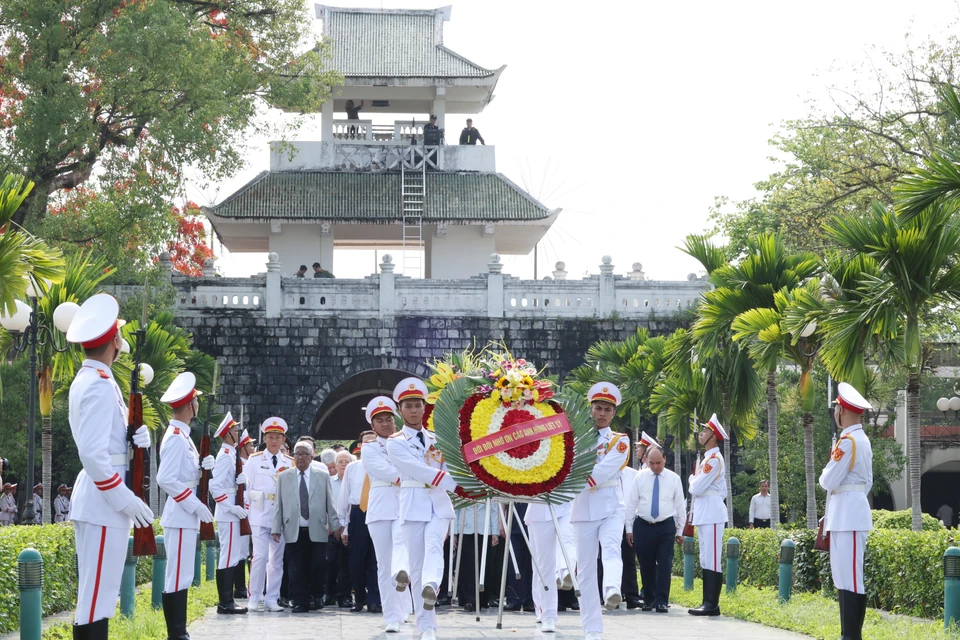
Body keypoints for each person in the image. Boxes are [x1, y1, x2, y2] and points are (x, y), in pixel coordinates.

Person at [65, 293, 154, 639]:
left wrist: (134, 440)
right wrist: (125, 500)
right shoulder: (99, 386)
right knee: (94, 603)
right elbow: (93, 455)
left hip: (101, 501)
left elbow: (108, 444)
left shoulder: (96, 380)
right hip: (104, 503)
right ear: (115, 341)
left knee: (98, 600)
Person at [387, 377, 474, 640]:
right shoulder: (395, 442)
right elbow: (419, 470)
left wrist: (468, 484)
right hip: (413, 503)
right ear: (400, 410)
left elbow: (449, 468)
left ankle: (432, 585)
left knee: (435, 547)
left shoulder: (437, 439)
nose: (414, 410)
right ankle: (425, 626)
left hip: (438, 504)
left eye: (418, 405)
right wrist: (454, 485)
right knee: (415, 566)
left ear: (425, 408)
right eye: (408, 406)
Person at [156, 372, 216, 639]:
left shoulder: (183, 437)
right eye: (197, 401)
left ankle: (180, 631)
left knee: (183, 574)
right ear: (191, 405)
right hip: (180, 514)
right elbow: (165, 478)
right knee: (177, 575)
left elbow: (185, 475)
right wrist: (194, 504)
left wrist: (204, 469)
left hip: (184, 515)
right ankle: (176, 634)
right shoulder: (176, 438)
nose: (198, 406)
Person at [572, 382, 629, 640]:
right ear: (591, 409)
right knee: (584, 570)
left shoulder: (620, 441)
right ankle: (592, 629)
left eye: (607, 409)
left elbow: (605, 470)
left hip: (610, 506)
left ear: (614, 413)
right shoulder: (575, 439)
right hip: (582, 508)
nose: (602, 413)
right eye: (598, 408)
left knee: (611, 548)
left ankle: (612, 589)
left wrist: (574, 478)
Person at [819, 382, 873, 640]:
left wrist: (825, 473)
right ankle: (847, 634)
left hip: (849, 515)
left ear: (843, 411)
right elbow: (868, 481)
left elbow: (828, 481)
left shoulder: (850, 441)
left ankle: (852, 635)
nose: (835, 413)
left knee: (851, 577)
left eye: (836, 408)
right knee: (843, 576)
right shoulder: (857, 439)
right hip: (844, 513)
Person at [361, 396, 413, 632]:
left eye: (389, 419)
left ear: (396, 420)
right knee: (384, 564)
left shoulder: (408, 442)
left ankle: (404, 603)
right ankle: (392, 615)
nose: (385, 424)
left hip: (405, 505)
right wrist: (410, 474)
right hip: (381, 508)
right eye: (379, 421)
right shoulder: (370, 448)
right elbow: (383, 470)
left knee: (402, 552)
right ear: (373, 426)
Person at [271, 440, 341, 613]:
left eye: (304, 454)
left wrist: (336, 525)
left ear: (311, 457)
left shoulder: (322, 475)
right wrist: (275, 528)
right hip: (293, 529)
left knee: (317, 566)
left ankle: (316, 595)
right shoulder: (284, 476)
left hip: (317, 529)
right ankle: (300, 601)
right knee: (295, 569)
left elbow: (330, 503)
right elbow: (278, 504)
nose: (300, 457)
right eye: (297, 454)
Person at [625, 446, 685, 613]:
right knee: (646, 564)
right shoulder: (640, 477)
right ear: (646, 460)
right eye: (651, 463)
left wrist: (680, 531)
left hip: (665, 526)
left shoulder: (674, 478)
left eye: (658, 463)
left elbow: (680, 506)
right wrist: (629, 529)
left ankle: (662, 600)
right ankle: (649, 599)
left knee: (665, 564)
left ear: (665, 459)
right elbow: (631, 504)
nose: (655, 466)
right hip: (643, 525)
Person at [244, 417, 293, 612]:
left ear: (283, 440)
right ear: (265, 438)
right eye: (270, 437)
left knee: (276, 560)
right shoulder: (254, 460)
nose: (274, 441)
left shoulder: (289, 462)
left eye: (278, 437)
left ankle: (272, 597)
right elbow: (247, 489)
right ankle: (254, 596)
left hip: (279, 517)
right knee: (260, 557)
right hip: (259, 514)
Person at [687, 413, 728, 617]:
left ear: (713, 436)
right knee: (705, 557)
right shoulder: (707, 459)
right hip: (705, 512)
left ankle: (712, 604)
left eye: (705, 431)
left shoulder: (714, 459)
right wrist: (696, 482)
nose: (701, 433)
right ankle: (707, 601)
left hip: (712, 513)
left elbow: (697, 487)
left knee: (712, 558)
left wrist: (692, 480)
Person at [210, 412, 249, 614]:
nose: (237, 433)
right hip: (228, 513)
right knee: (227, 556)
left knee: (232, 555)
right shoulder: (225, 456)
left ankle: (227, 601)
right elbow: (215, 487)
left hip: (232, 512)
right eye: (235, 430)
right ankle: (225, 602)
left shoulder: (230, 454)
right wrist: (230, 507)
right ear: (227, 434)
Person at [339, 431, 381, 613]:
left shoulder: (384, 465)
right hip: (358, 515)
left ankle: (374, 600)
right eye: (366, 443)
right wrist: (345, 527)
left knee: (376, 560)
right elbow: (344, 497)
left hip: (379, 512)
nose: (369, 446)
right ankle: (359, 599)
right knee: (356, 560)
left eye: (373, 442)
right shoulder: (352, 467)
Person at [454, 502, 500, 613]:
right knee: (467, 565)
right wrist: (454, 532)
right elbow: (456, 509)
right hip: (465, 527)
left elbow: (494, 509)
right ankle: (468, 599)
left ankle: (482, 598)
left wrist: (495, 532)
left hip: (484, 528)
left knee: (484, 564)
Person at [327, 450, 354, 608]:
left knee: (347, 564)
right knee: (329, 563)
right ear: (334, 465)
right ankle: (328, 594)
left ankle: (345, 596)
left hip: (350, 529)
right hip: (331, 529)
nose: (343, 464)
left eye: (347, 461)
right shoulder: (328, 482)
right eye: (340, 461)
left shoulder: (355, 481)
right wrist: (332, 526)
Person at [233, 428, 255, 600]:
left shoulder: (249, 463)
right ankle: (239, 587)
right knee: (240, 550)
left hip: (251, 510)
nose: (253, 448)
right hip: (241, 511)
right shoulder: (237, 462)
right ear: (243, 448)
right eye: (250, 445)